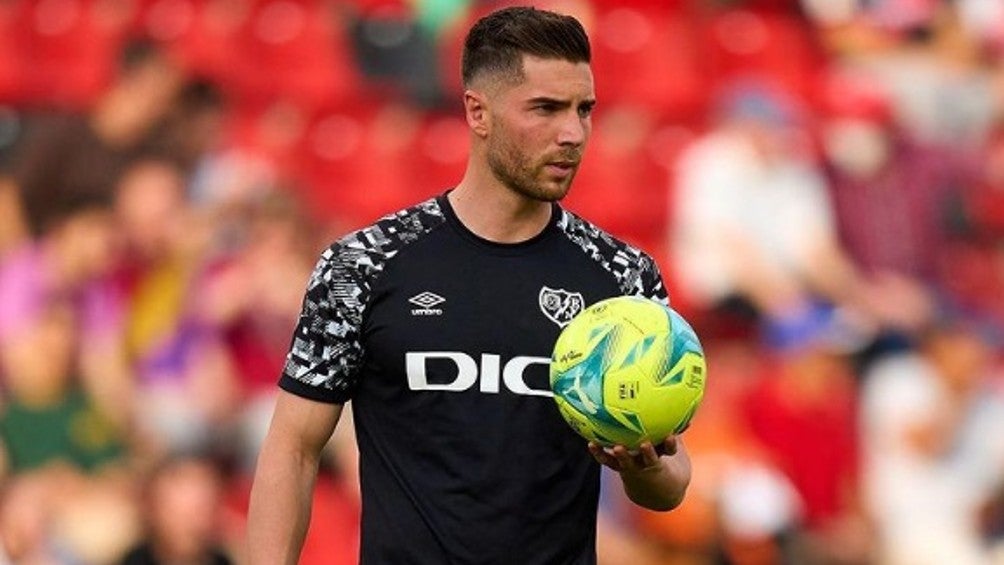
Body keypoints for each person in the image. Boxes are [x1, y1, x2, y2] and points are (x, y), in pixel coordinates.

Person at [246, 6, 692, 564]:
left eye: (584, 110)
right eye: (546, 109)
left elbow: (670, 484)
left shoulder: (622, 276)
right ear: (478, 112)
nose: (573, 133)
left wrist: (644, 465)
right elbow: (293, 448)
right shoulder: (362, 265)